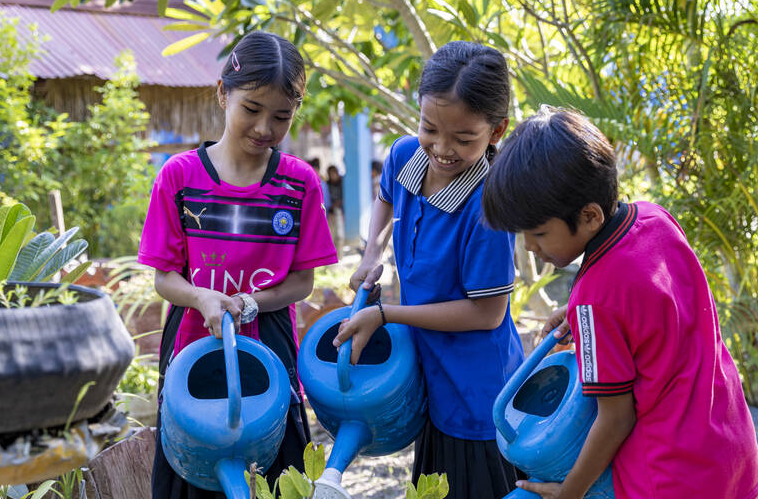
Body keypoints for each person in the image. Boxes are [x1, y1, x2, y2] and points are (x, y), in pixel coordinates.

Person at [481, 107, 758, 499]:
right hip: (727, 450)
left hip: (669, 478)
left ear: (590, 215)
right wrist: (583, 315)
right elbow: (656, 304)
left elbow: (615, 419)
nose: (530, 246)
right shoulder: (655, 220)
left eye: (539, 233)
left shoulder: (595, 297)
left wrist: (570, 492)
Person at [137, 31, 338, 498]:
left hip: (269, 342)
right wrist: (202, 296)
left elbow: (302, 282)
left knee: (276, 468)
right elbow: (164, 278)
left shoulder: (299, 184)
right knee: (197, 457)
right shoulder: (180, 177)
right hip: (193, 343)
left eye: (281, 116)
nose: (265, 127)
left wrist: (251, 301)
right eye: (252, 109)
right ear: (224, 93)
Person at [335, 41, 525, 499]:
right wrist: (370, 254)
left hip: (478, 393)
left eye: (464, 139)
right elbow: (384, 198)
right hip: (432, 374)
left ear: (496, 130)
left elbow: (487, 315)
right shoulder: (405, 157)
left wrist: (386, 315)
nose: (442, 149)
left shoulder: (487, 209)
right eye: (429, 128)